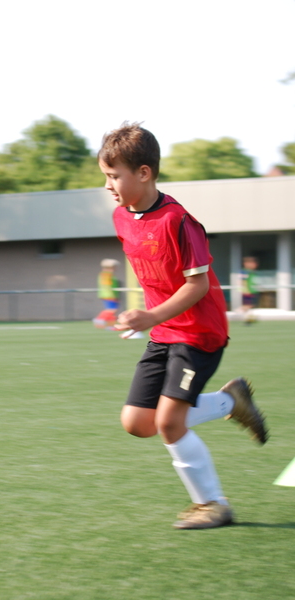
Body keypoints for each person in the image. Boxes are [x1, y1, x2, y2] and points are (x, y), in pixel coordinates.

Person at [98, 122, 268, 529]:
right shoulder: (122, 218)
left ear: (144, 173)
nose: (108, 185)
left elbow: (197, 285)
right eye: (105, 176)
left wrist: (152, 314)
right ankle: (231, 401)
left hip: (199, 333)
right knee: (137, 423)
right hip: (164, 331)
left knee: (169, 424)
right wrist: (143, 315)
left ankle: (213, 504)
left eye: (114, 176)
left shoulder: (180, 222)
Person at [94, 258, 120, 328]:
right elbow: (107, 285)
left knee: (112, 310)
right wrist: (112, 295)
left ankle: (110, 325)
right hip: (108, 295)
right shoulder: (106, 274)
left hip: (110, 294)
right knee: (111, 310)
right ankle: (99, 320)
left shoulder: (108, 274)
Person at [239, 256, 259, 324]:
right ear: (246, 263)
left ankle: (248, 318)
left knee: (250, 305)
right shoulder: (244, 272)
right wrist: (246, 290)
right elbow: (243, 281)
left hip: (251, 291)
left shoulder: (252, 272)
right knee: (247, 305)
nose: (255, 265)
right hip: (247, 291)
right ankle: (238, 315)